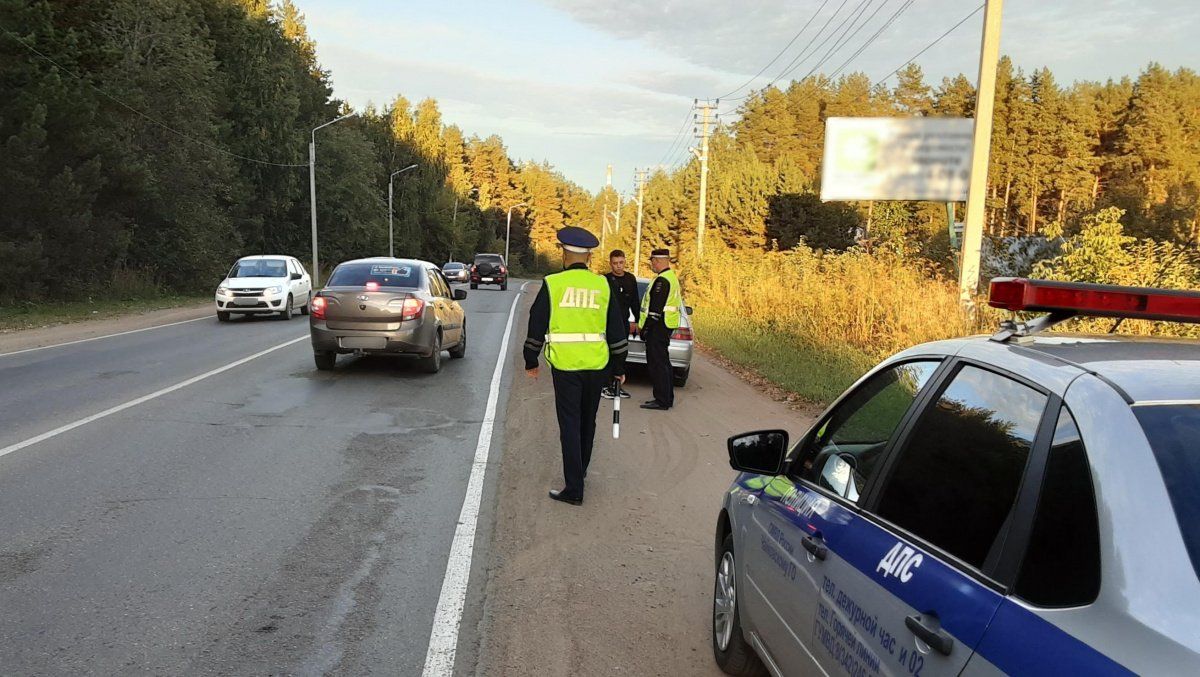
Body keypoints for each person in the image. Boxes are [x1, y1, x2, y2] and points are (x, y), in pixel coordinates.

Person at [524, 226, 629, 506]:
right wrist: (619, 366)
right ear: (590, 257)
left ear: (563, 253)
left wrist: (530, 359)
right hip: (597, 364)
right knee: (588, 421)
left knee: (569, 424)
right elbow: (616, 329)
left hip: (566, 366)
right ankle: (579, 472)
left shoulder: (553, 283)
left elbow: (537, 323)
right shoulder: (602, 285)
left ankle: (574, 488)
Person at [638, 248, 682, 411]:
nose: (652, 264)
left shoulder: (662, 281)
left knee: (657, 364)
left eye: (653, 261)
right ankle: (666, 397)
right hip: (666, 325)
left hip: (659, 327)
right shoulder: (671, 278)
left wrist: (646, 329)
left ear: (658, 261)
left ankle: (661, 399)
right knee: (663, 363)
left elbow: (655, 310)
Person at [602, 249, 638, 400]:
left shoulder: (630, 279)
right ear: (610, 264)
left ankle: (617, 386)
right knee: (608, 354)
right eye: (615, 263)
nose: (618, 266)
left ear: (625, 262)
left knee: (621, 354)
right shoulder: (604, 280)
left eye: (621, 263)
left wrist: (636, 320)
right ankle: (605, 385)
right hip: (607, 322)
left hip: (623, 322)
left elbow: (635, 301)